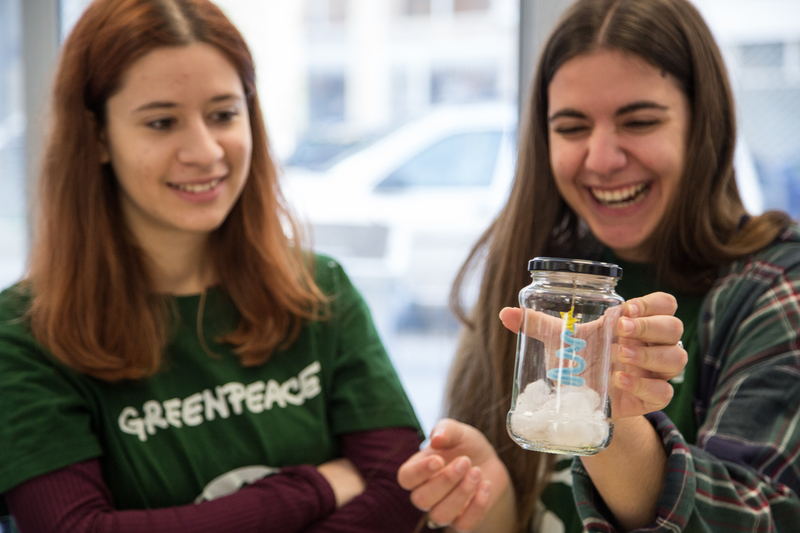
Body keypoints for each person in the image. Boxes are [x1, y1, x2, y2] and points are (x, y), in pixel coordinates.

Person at [0, 0, 425, 531]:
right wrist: (314, 487)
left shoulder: (320, 290)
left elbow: (405, 486)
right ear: (98, 137)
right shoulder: (24, 335)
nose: (204, 151)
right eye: (161, 122)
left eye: (223, 114)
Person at [397, 0, 800, 531]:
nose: (602, 158)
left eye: (639, 121)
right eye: (571, 128)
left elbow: (760, 516)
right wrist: (487, 506)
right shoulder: (535, 273)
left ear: (704, 125)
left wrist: (611, 415)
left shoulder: (774, 285)